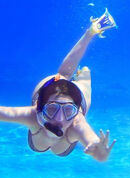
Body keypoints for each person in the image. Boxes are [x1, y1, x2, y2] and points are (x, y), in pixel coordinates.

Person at [0, 9, 117, 162]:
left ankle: (84, 71)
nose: (60, 119)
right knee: (62, 76)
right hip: (49, 96)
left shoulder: (77, 122)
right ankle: (88, 38)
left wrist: (96, 148)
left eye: (68, 110)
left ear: (76, 112)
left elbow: (89, 137)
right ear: (39, 108)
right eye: (52, 109)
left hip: (74, 97)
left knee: (82, 83)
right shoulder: (32, 115)